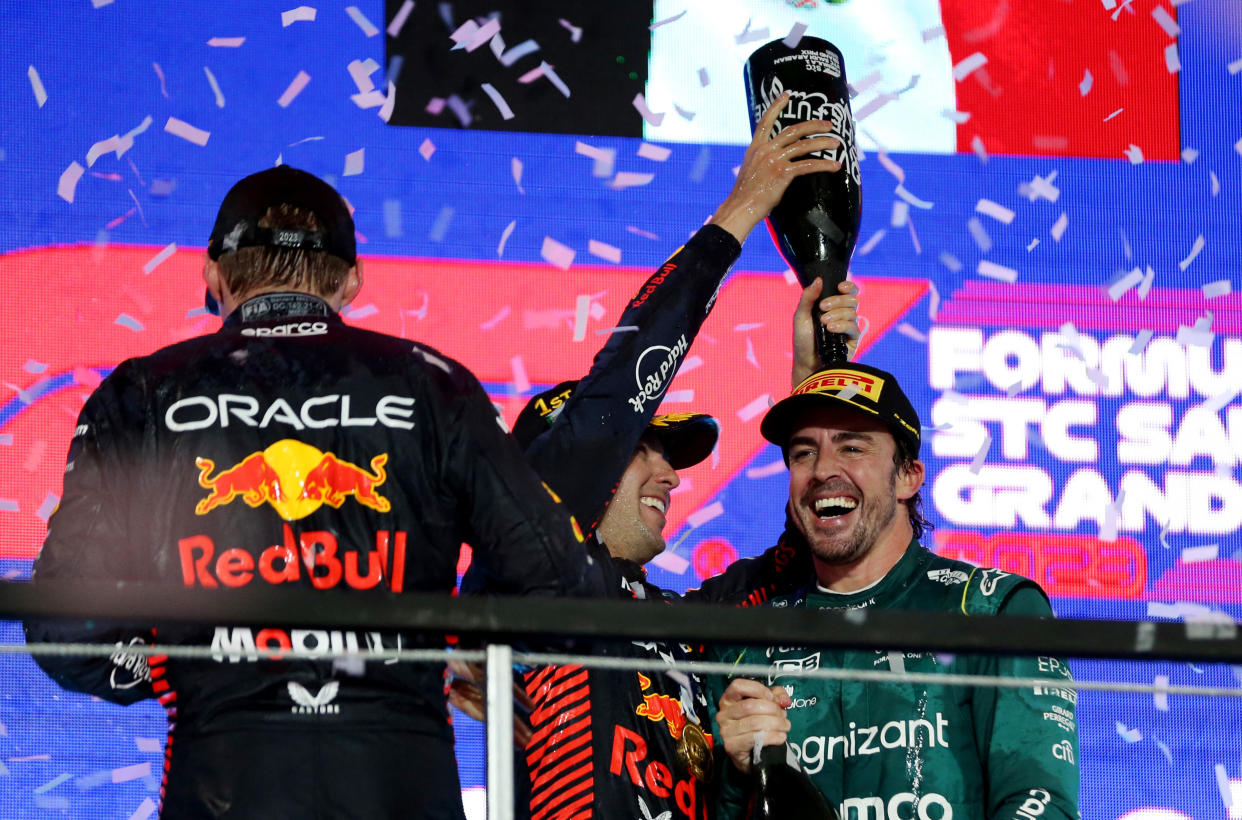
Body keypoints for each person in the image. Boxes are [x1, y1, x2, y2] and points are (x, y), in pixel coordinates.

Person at [24, 165, 596, 820]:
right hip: (399, 774)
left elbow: (63, 624)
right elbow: (560, 580)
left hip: (227, 776)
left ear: (214, 277)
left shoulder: (143, 391)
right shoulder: (433, 383)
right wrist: (473, 647)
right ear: (351, 281)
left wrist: (176, 665)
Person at [470, 94, 863, 820]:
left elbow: (806, 558)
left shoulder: (681, 619)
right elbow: (614, 394)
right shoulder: (541, 583)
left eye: (667, 454)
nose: (670, 473)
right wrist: (737, 217)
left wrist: (812, 376)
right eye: (639, 450)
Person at [707, 362, 1082, 819]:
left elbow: (1040, 804)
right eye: (803, 453)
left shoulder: (992, 609)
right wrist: (736, 773)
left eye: (853, 447)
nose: (824, 469)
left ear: (908, 476)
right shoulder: (746, 644)